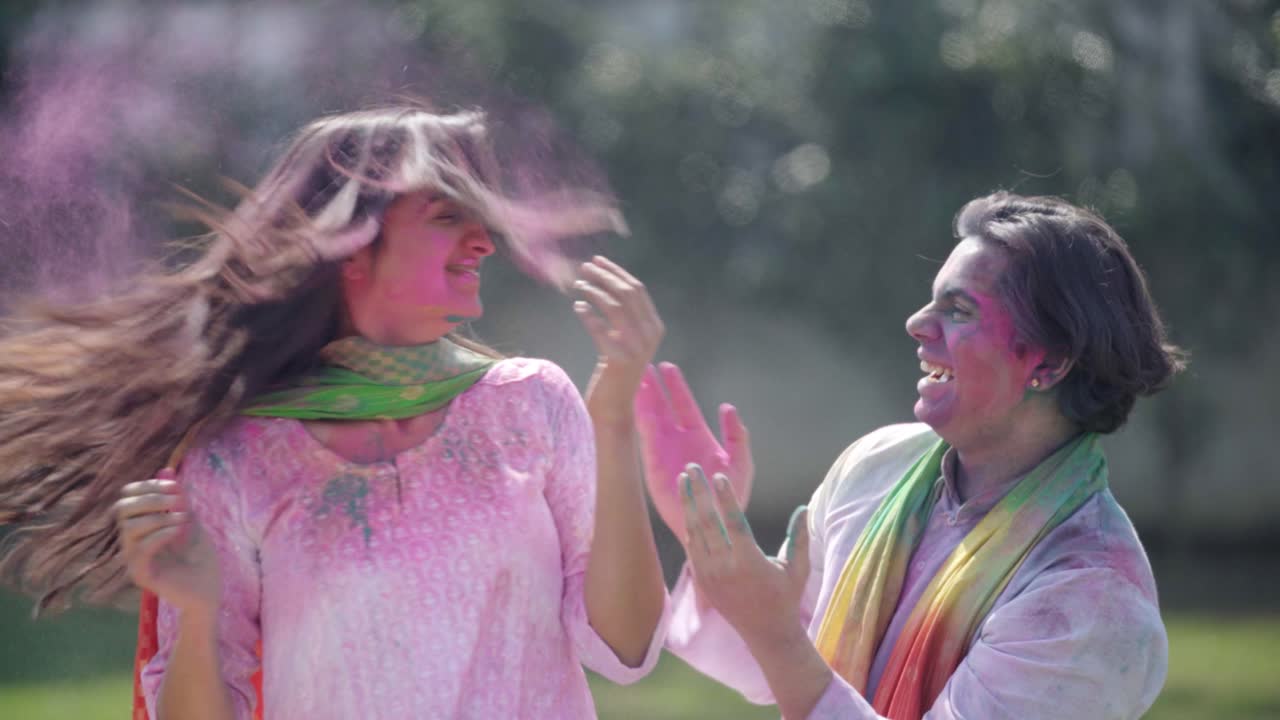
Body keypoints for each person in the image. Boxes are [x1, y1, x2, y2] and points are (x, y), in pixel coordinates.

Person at [0, 106, 669, 719]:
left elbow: (627, 648)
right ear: (352, 243)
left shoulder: (532, 404)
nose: (483, 243)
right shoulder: (237, 461)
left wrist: (613, 429)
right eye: (446, 217)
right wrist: (196, 613)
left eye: (483, 220)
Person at [633, 191, 1184, 720]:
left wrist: (775, 638)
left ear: (1050, 363)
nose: (917, 324)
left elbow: (784, 652)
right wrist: (707, 529)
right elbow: (770, 660)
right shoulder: (878, 466)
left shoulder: (1091, 600)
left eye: (959, 309)